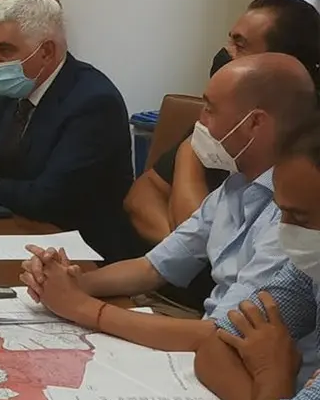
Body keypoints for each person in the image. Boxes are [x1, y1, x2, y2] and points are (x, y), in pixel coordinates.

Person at [19, 54, 316, 355]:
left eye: (210, 109)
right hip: (210, 354)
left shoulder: (299, 216)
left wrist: (82, 307)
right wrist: (71, 282)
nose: (200, 122)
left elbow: (222, 336)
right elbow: (153, 267)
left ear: (254, 122)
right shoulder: (236, 184)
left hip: (235, 359)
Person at [0, 0, 139, 262]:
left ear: (46, 51)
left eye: (5, 50)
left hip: (81, 253)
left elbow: (50, 200)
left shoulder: (94, 102)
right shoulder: (11, 93)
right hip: (15, 234)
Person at [126, 0, 320, 248]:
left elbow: (203, 235)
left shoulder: (305, 150)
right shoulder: (225, 116)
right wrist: (178, 254)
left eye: (240, 45)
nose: (226, 53)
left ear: (281, 63)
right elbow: (142, 195)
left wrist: (189, 155)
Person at [191, 111, 320, 400]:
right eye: (282, 214)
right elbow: (215, 349)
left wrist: (270, 375)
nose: (285, 231)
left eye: (300, 218)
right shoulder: (309, 269)